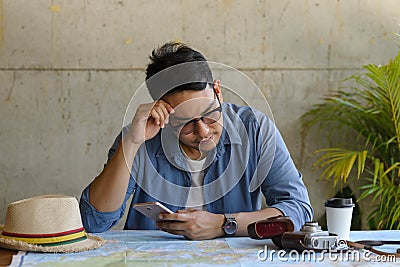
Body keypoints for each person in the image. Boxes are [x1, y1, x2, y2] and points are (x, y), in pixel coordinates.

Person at [80, 41, 313, 240]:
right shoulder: (140, 136)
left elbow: (298, 209)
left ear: (218, 91)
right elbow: (93, 222)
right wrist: (131, 142)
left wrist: (225, 224)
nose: (203, 132)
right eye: (186, 123)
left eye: (210, 114)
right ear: (164, 113)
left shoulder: (255, 129)